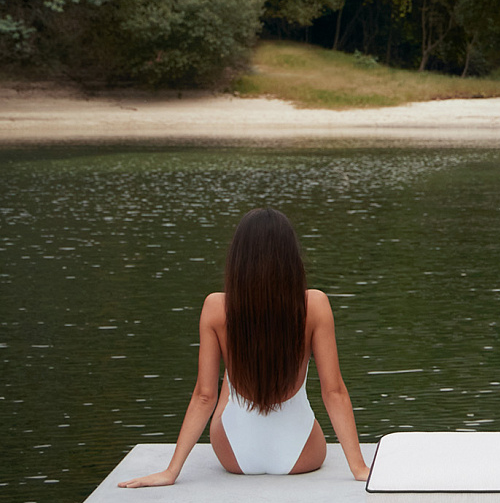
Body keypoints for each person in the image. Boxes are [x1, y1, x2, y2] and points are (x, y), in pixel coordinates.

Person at [119, 208, 370, 487]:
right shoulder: (315, 305)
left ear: (238, 259)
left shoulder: (215, 307)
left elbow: (204, 396)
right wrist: (359, 467)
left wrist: (171, 471)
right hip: (301, 454)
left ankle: (237, 370)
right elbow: (333, 392)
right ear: (291, 258)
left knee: (234, 369)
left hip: (236, 455)